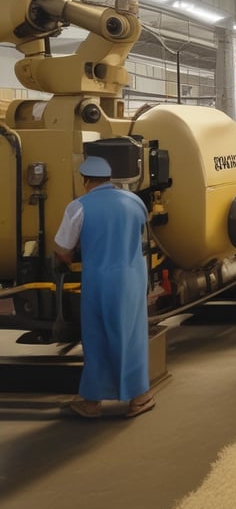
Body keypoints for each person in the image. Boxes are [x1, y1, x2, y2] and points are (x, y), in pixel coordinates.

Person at [54, 156, 155, 419]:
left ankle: (92, 402)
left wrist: (67, 259)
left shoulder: (78, 206)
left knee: (96, 336)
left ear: (85, 180)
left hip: (101, 280)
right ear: (110, 178)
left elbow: (62, 250)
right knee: (132, 335)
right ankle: (140, 398)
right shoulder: (135, 201)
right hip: (133, 276)